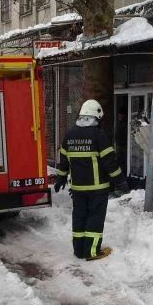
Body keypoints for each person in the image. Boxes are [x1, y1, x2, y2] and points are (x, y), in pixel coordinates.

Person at [55, 99, 129, 261]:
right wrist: (120, 182)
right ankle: (92, 251)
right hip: (97, 189)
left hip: (78, 189)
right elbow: (110, 162)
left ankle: (79, 250)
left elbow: (64, 162)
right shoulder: (98, 135)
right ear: (96, 117)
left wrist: (60, 179)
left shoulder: (69, 135)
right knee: (95, 218)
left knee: (79, 217)